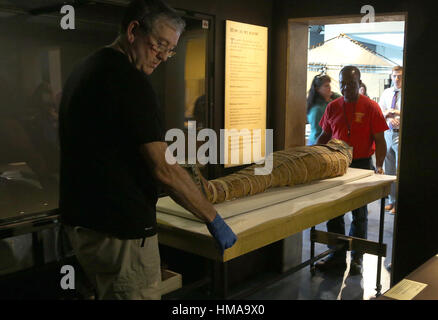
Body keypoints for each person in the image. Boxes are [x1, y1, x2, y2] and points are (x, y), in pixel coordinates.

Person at [58, 0, 237, 300]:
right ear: (133, 31)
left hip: (85, 228)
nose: (164, 57)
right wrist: (213, 218)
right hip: (120, 234)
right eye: (159, 46)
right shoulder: (130, 81)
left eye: (170, 50)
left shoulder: (86, 69)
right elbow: (163, 169)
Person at [315, 66, 388, 275]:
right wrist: (313, 154)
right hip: (337, 165)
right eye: (344, 83)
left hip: (362, 164)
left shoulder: (371, 107)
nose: (347, 88)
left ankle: (357, 258)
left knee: (359, 214)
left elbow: (380, 140)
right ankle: (336, 256)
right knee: (334, 212)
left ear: (360, 83)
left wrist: (380, 166)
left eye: (352, 84)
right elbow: (324, 135)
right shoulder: (333, 107)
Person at [379, 66, 403, 215]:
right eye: (394, 76)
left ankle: (398, 203)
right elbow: (380, 112)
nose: (397, 79)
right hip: (388, 133)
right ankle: (391, 200)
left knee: (400, 170)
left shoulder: (408, 92)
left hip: (401, 134)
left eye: (400, 76)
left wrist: (396, 112)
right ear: (391, 76)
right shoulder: (387, 93)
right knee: (389, 171)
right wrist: (387, 114)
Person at [306, 74, 341, 145]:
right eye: (326, 86)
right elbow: (319, 134)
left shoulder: (329, 102)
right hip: (317, 145)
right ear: (317, 89)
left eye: (329, 85)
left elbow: (342, 100)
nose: (330, 88)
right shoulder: (317, 109)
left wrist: (334, 94)